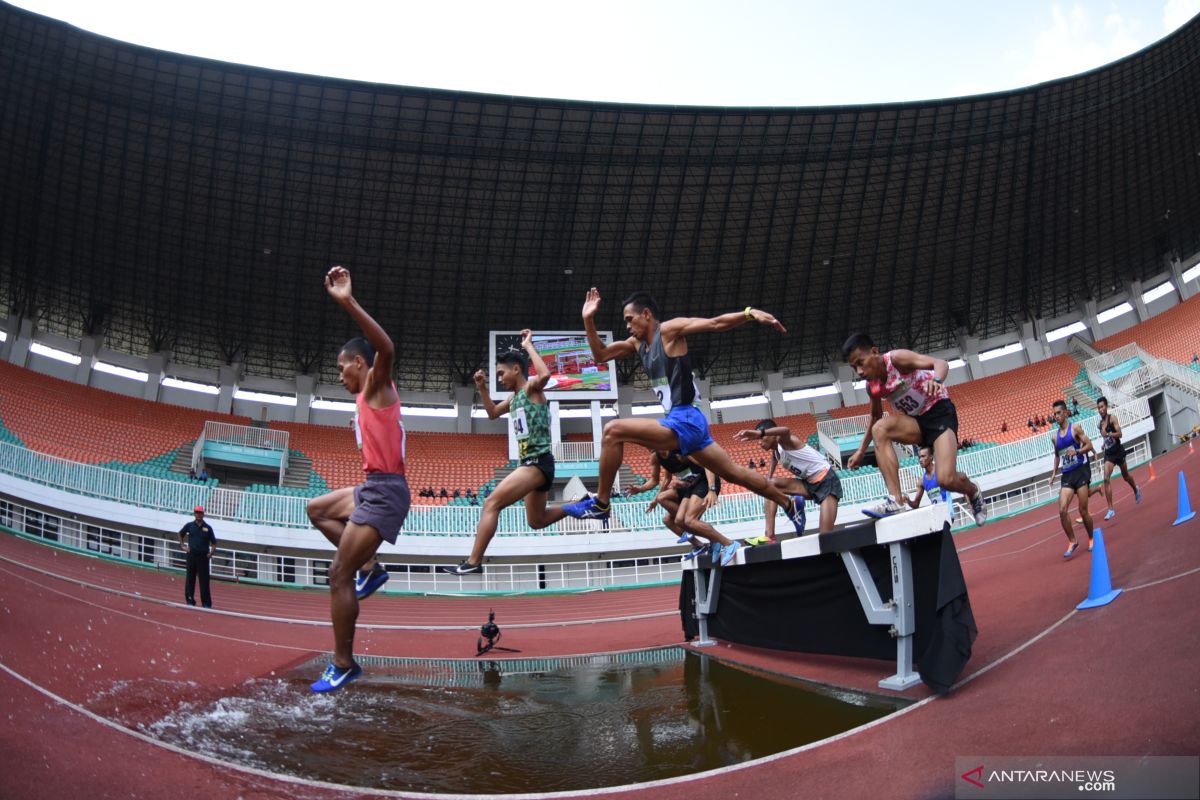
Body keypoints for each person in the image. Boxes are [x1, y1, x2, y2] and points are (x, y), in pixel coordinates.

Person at [562, 288, 806, 534]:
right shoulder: (637, 344)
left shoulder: (668, 331)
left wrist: (749, 313)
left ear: (646, 314)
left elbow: (715, 324)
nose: (627, 326)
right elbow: (601, 354)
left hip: (685, 418)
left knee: (613, 430)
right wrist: (588, 320)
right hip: (686, 423)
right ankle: (789, 503)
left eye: (629, 319)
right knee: (736, 474)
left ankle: (601, 504)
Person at [303, 265, 411, 693]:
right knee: (316, 510)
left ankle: (343, 663)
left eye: (341, 367)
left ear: (359, 364)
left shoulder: (376, 386)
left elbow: (387, 346)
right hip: (371, 487)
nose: (339, 374)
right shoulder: (364, 399)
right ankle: (370, 566)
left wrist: (347, 301)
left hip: (385, 491)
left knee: (336, 576)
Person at [440, 330, 577, 576]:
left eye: (501, 373)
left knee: (491, 503)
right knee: (536, 521)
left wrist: (528, 346)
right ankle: (580, 505)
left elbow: (544, 374)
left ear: (516, 370)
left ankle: (473, 561)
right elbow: (492, 413)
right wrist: (481, 388)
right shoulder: (514, 400)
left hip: (537, 463)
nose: (499, 378)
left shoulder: (532, 389)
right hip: (532, 464)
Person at [842, 333, 986, 524]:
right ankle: (896, 500)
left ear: (874, 352)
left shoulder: (896, 359)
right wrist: (861, 451)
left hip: (938, 412)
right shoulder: (873, 386)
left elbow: (940, 364)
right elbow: (875, 417)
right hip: (916, 422)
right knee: (880, 428)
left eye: (861, 362)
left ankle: (972, 490)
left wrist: (936, 381)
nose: (859, 371)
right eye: (854, 367)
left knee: (946, 479)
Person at [734, 418, 843, 542]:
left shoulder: (788, 442)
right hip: (808, 484)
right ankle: (769, 536)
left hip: (826, 481)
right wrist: (769, 477)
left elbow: (786, 430)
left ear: (773, 435)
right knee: (769, 485)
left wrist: (761, 433)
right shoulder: (776, 451)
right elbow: (775, 458)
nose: (759, 443)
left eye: (761, 439)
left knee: (825, 537)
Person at [625, 449, 740, 564]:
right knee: (677, 519)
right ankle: (701, 544)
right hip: (690, 486)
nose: (647, 446)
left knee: (689, 521)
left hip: (704, 481)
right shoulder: (656, 457)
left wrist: (712, 489)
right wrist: (640, 490)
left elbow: (707, 464)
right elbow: (658, 480)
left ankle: (728, 543)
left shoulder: (679, 450)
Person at [1048, 399, 1096, 558]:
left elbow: (1089, 445)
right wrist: (1054, 473)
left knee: (1083, 510)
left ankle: (1091, 537)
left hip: (1080, 471)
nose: (1056, 416)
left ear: (1066, 412)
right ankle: (1073, 540)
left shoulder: (1075, 428)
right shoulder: (1054, 438)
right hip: (1067, 475)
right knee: (1062, 510)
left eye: (1058, 413)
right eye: (1054, 414)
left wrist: (1077, 452)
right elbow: (1057, 457)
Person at [1095, 396, 1141, 520]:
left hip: (1118, 452)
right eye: (1099, 408)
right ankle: (1110, 509)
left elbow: (1120, 434)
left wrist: (1109, 434)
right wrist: (1104, 444)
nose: (1101, 409)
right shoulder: (1100, 424)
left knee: (1126, 476)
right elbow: (1106, 439)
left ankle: (1135, 489)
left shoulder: (1112, 418)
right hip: (1109, 454)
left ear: (1106, 407)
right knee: (1106, 478)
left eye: (1102, 407)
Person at [179, 505, 216, 608]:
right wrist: (182, 545)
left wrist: (211, 553)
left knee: (204, 581)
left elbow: (214, 543)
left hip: (203, 557)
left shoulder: (208, 528)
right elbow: (180, 534)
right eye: (197, 512)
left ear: (203, 514)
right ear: (194, 514)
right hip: (191, 556)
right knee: (190, 579)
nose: (198, 514)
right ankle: (190, 601)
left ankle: (206, 603)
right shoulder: (189, 525)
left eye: (200, 513)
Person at [906, 446, 953, 522]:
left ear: (931, 457)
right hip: (937, 517)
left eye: (923, 456)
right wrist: (907, 500)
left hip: (948, 513)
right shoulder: (921, 480)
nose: (920, 460)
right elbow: (916, 504)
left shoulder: (940, 471)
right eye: (919, 457)